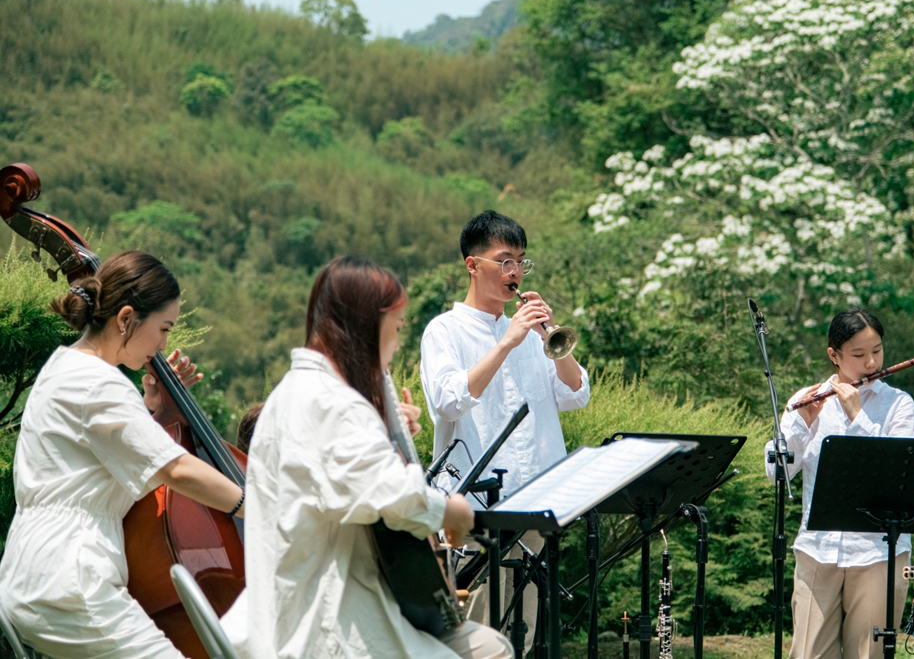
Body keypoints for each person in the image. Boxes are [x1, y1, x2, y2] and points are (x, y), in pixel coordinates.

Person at [223, 256, 511, 659]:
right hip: (328, 621)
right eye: (397, 328)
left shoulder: (292, 393)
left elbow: (349, 476)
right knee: (492, 651)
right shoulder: (334, 403)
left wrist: (382, 430)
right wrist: (453, 511)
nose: (397, 344)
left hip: (285, 611)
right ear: (366, 326)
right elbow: (394, 497)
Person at [0, 251, 246, 659]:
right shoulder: (98, 382)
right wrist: (257, 507)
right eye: (163, 328)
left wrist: (155, 412)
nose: (164, 345)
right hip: (73, 581)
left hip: (34, 576)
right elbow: (176, 469)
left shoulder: (64, 368)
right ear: (126, 317)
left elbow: (109, 454)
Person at [419, 210, 591, 650]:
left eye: (520, 261)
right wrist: (507, 342)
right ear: (473, 265)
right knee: (476, 639)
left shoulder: (531, 334)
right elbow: (448, 400)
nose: (514, 272)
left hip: (534, 502)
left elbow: (576, 393)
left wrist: (551, 337)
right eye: (504, 261)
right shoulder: (444, 331)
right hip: (476, 511)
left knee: (522, 636)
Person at [765, 308, 914, 659]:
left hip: (879, 549)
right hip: (818, 547)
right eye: (859, 354)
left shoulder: (899, 405)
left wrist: (857, 416)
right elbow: (777, 473)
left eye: (877, 350)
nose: (871, 363)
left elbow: (896, 474)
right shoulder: (806, 400)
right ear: (833, 355)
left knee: (869, 654)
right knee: (809, 653)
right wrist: (802, 423)